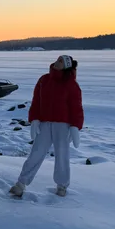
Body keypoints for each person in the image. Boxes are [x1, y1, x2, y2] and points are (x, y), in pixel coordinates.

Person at [9, 55, 84, 198]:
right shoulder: (44, 80)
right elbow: (36, 101)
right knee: (36, 153)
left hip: (63, 126)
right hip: (44, 123)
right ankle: (21, 184)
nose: (58, 61)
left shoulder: (71, 84)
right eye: (58, 59)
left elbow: (76, 107)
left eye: (61, 61)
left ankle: (62, 186)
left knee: (62, 155)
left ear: (66, 66)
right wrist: (34, 119)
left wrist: (75, 126)